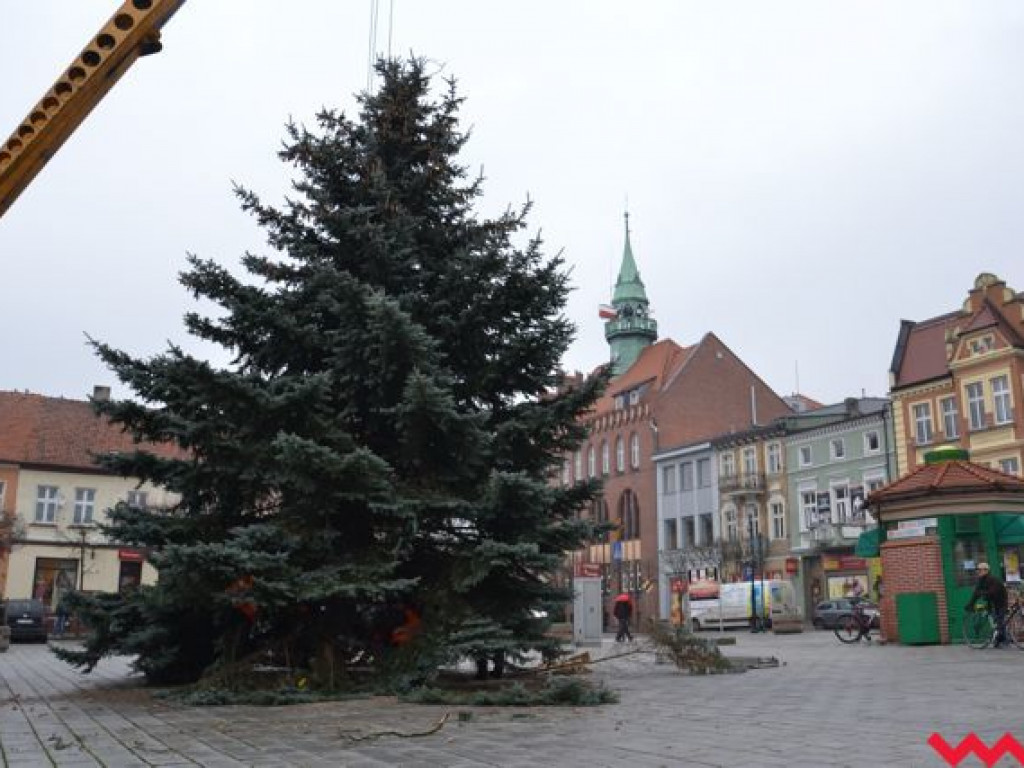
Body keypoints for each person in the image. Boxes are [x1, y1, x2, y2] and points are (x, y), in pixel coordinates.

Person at [967, 562, 1008, 647]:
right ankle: (999, 639)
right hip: (992, 602)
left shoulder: (992, 579)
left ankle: (1002, 639)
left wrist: (982, 593)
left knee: (1000, 621)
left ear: (986, 570)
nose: (978, 572)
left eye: (979, 570)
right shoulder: (981, 580)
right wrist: (971, 604)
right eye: (977, 570)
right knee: (998, 622)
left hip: (1001, 601)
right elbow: (976, 593)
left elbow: (992, 592)